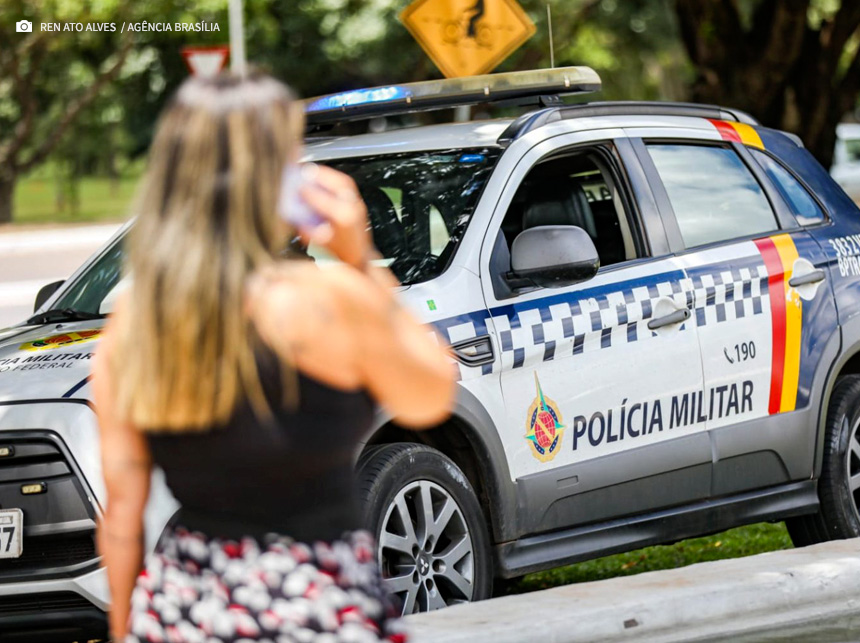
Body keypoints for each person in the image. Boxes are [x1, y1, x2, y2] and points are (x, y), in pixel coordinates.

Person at [91, 72, 456, 643]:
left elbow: (122, 516)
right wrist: (361, 261)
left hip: (186, 609)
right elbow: (431, 392)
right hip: (318, 603)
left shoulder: (136, 325)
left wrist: (123, 631)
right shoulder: (327, 301)